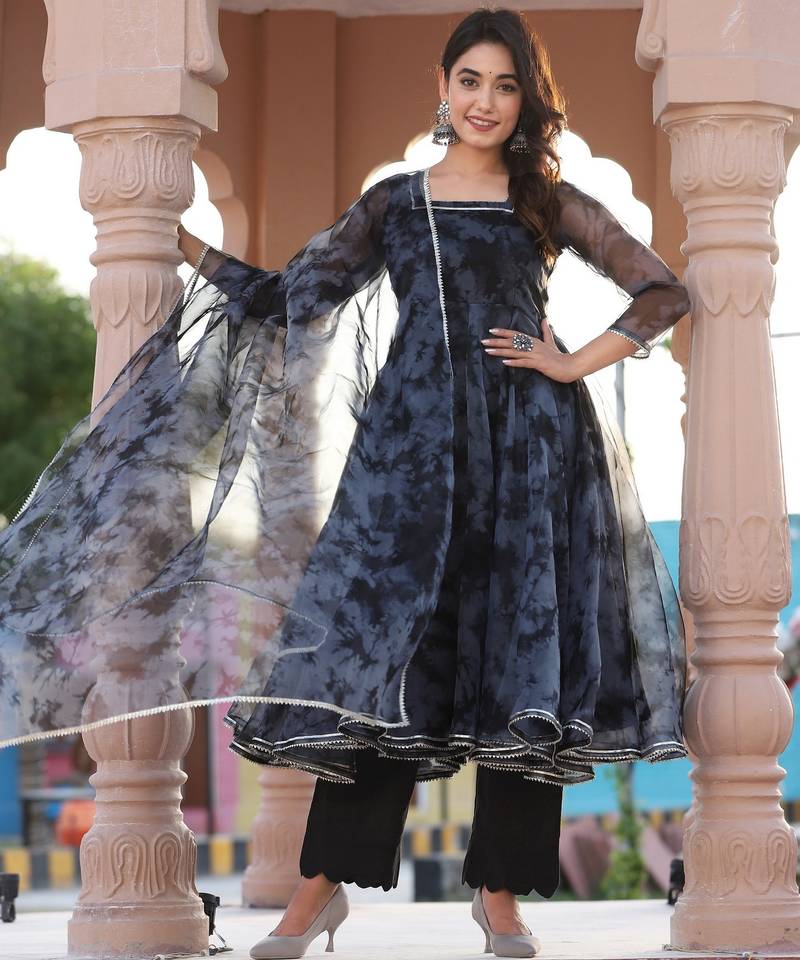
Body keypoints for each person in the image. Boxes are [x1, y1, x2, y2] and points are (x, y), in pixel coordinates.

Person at [0, 7, 691, 959]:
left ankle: (499, 897)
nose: (485, 102)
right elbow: (293, 296)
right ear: (442, 88)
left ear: (526, 101)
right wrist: (184, 245)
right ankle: (318, 889)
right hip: (408, 462)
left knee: (519, 665)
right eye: (470, 81)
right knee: (379, 662)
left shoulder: (546, 201)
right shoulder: (396, 203)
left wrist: (570, 365)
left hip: (530, 455)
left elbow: (661, 290)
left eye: (505, 86)